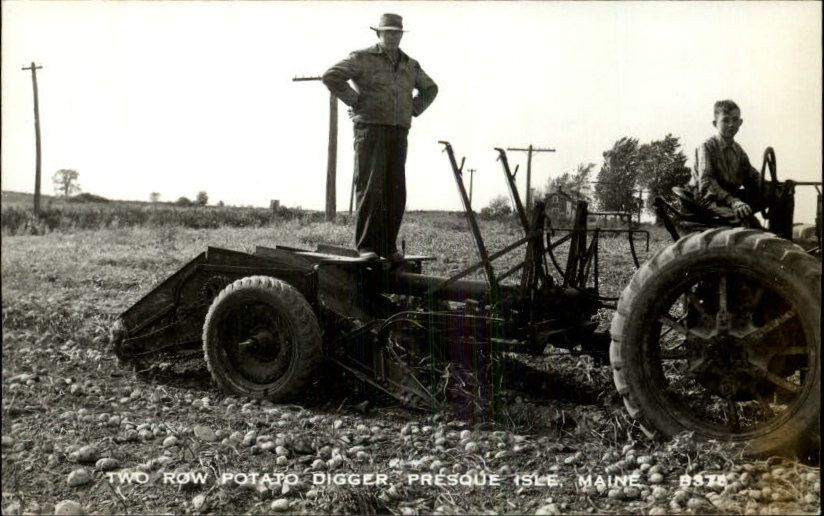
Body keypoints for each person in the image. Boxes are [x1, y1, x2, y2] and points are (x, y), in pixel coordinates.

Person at [322, 13, 438, 261]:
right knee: (370, 187)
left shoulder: (410, 64)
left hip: (398, 130)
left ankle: (388, 248)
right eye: (388, 32)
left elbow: (430, 88)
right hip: (370, 129)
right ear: (378, 34)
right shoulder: (362, 58)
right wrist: (356, 101)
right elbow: (331, 76)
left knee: (395, 190)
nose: (392, 37)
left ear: (401, 35)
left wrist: (413, 109)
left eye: (396, 33)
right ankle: (366, 247)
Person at [690, 100, 764, 224]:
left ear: (740, 123)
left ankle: (783, 238)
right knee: (744, 218)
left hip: (730, 196)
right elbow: (706, 183)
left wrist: (776, 187)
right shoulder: (707, 147)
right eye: (725, 120)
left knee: (781, 196)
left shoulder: (738, 151)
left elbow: (752, 177)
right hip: (707, 198)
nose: (731, 124)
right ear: (715, 123)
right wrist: (734, 201)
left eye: (735, 120)